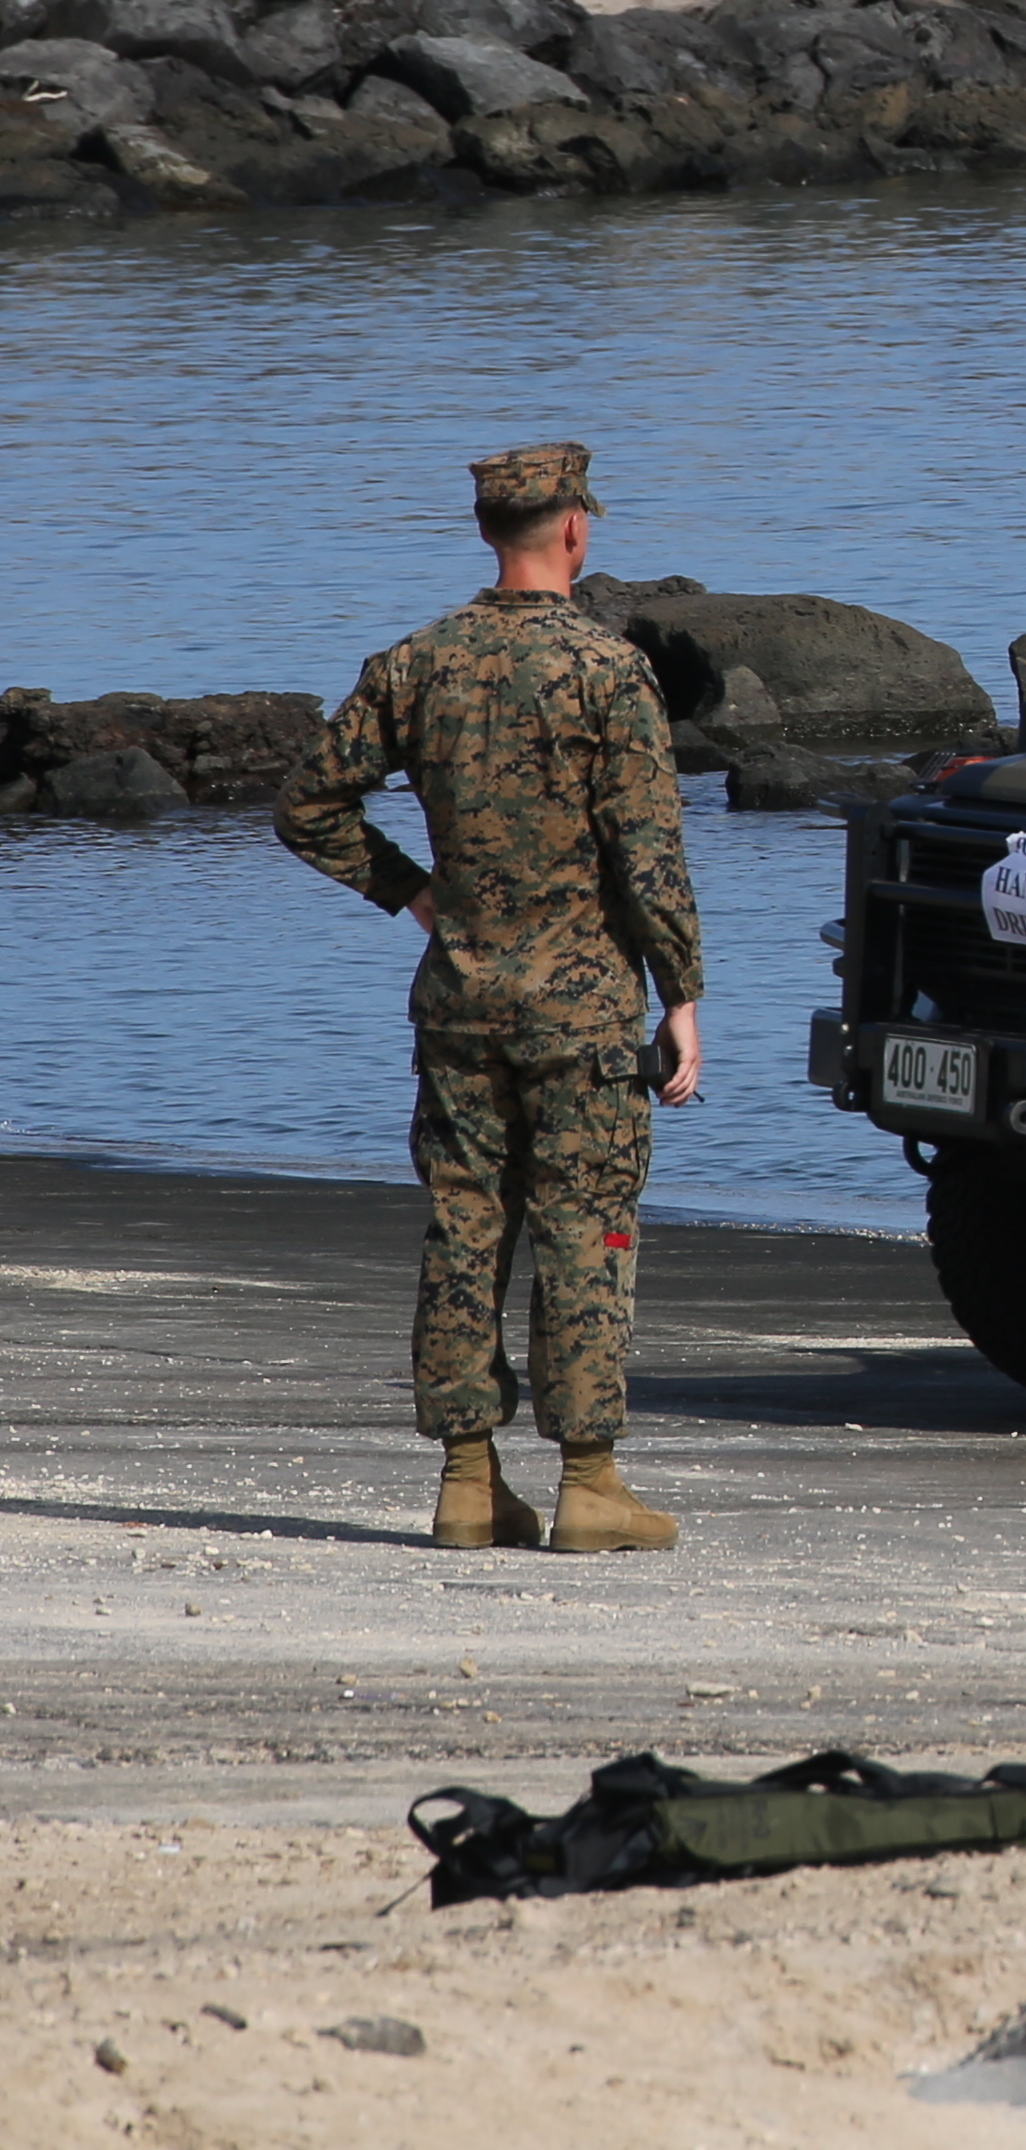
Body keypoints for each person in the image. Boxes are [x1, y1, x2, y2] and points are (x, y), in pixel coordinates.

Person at [275, 442, 705, 1554]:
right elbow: (648, 855)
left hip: (459, 1000)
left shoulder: (417, 663)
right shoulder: (607, 671)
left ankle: (469, 1481)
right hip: (583, 1010)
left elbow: (308, 807)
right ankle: (590, 1483)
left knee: (466, 1229)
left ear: (486, 533)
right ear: (575, 531)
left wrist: (414, 896)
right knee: (588, 1228)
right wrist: (683, 997)